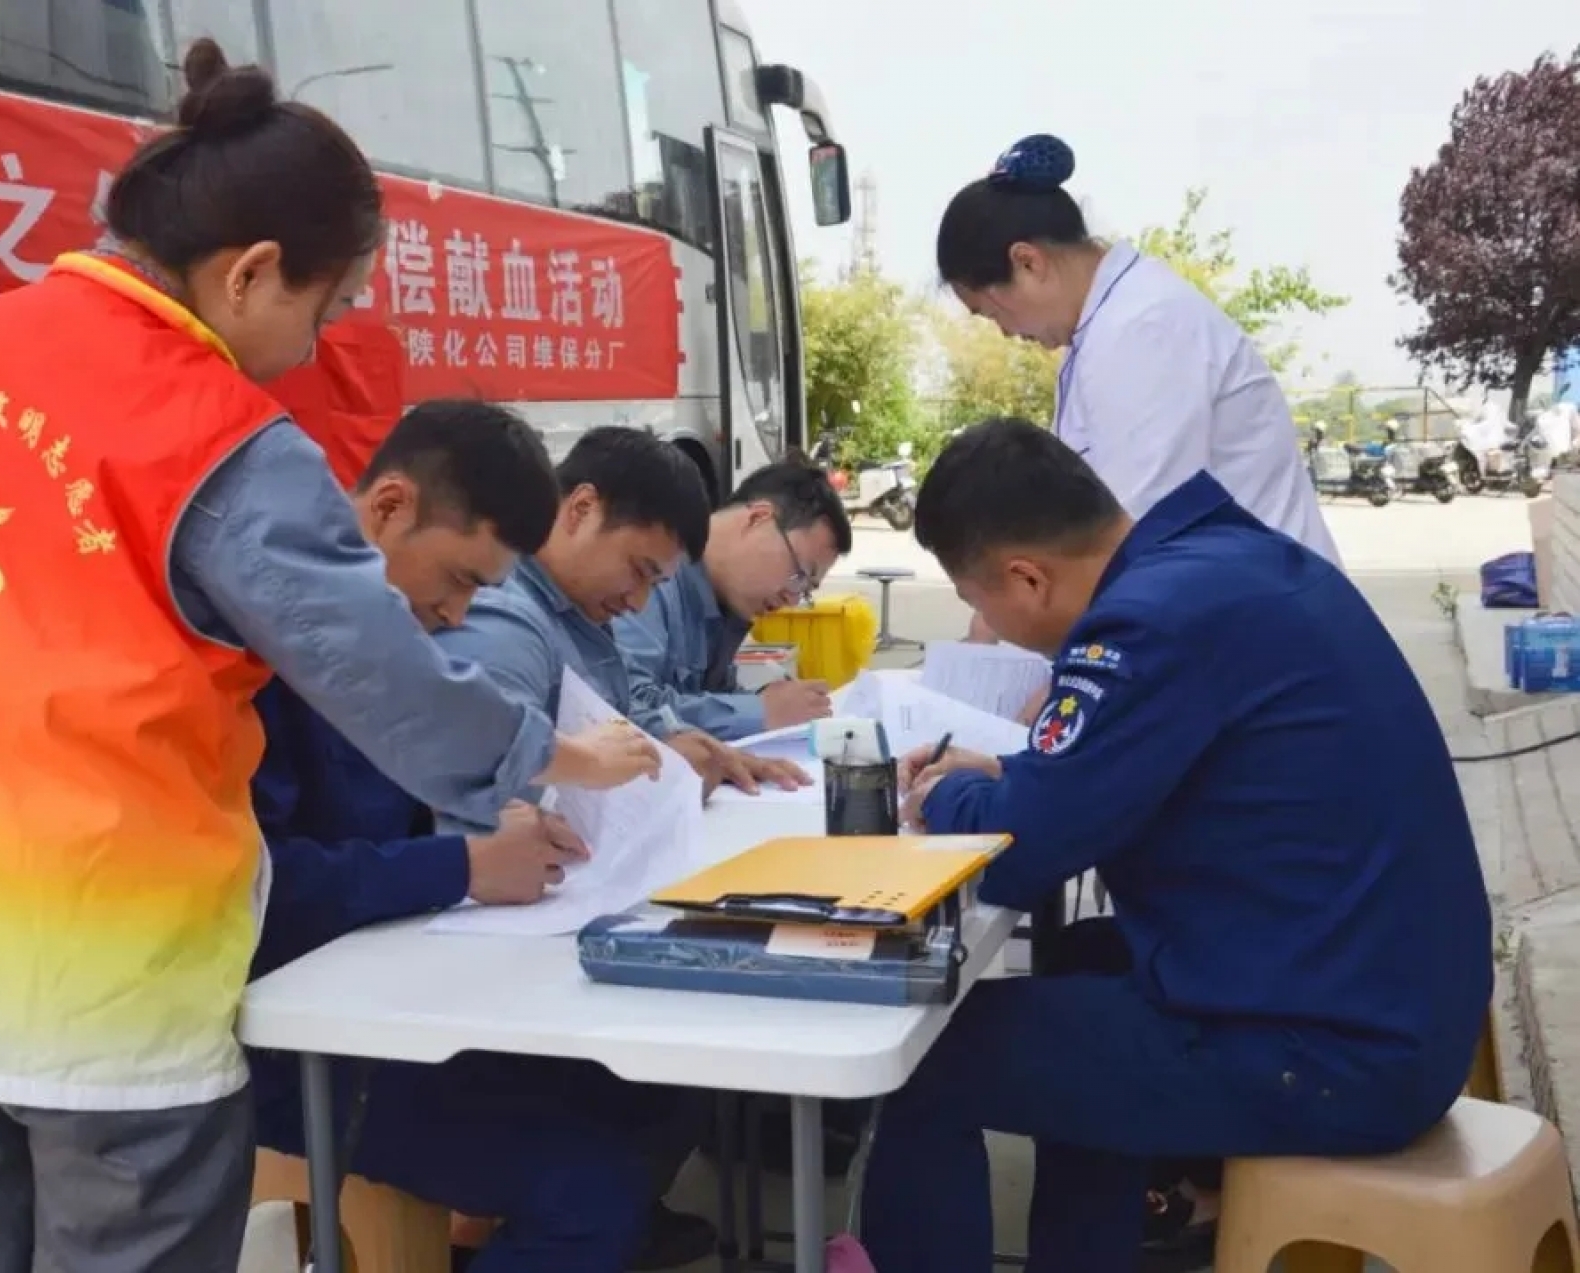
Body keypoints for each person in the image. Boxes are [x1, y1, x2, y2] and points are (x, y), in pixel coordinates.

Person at [0, 43, 658, 1273]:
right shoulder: (221, 434)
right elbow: (386, 678)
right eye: (325, 310)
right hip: (99, 989)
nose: (313, 348)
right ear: (249, 271)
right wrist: (570, 755)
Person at [860, 419, 1491, 1273]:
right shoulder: (1223, 560)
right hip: (1391, 1002)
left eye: (980, 603)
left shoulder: (1142, 625)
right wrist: (1012, 773)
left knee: (923, 1059)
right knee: (1081, 960)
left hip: (1333, 1054)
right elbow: (1114, 770)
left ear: (1027, 576)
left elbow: (1020, 850)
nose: (989, 626)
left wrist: (943, 793)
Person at [249, 398, 712, 1273]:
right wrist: (460, 863)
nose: (460, 616)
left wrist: (493, 834)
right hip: (301, 1041)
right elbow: (262, 885)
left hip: (398, 994)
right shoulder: (266, 656)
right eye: (460, 579)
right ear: (389, 508)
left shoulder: (392, 652)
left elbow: (404, 820)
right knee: (590, 1193)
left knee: (662, 1091)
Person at [937, 134, 1339, 568]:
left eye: (992, 312)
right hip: (1233, 587)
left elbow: (1133, 528)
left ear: (1028, 262)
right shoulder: (1111, 323)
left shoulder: (1143, 327)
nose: (1005, 332)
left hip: (1261, 595)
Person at [439, 426, 813, 804]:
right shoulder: (505, 624)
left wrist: (683, 743)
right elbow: (488, 786)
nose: (638, 602)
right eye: (639, 570)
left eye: (656, 583)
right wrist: (657, 774)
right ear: (582, 509)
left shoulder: (578, 613)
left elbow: (616, 714)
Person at [616, 459, 852, 741]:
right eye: (798, 575)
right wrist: (760, 711)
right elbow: (624, 706)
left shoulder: (725, 602)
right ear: (758, 519)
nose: (791, 599)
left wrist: (771, 705)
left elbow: (710, 696)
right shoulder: (654, 574)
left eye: (805, 590)